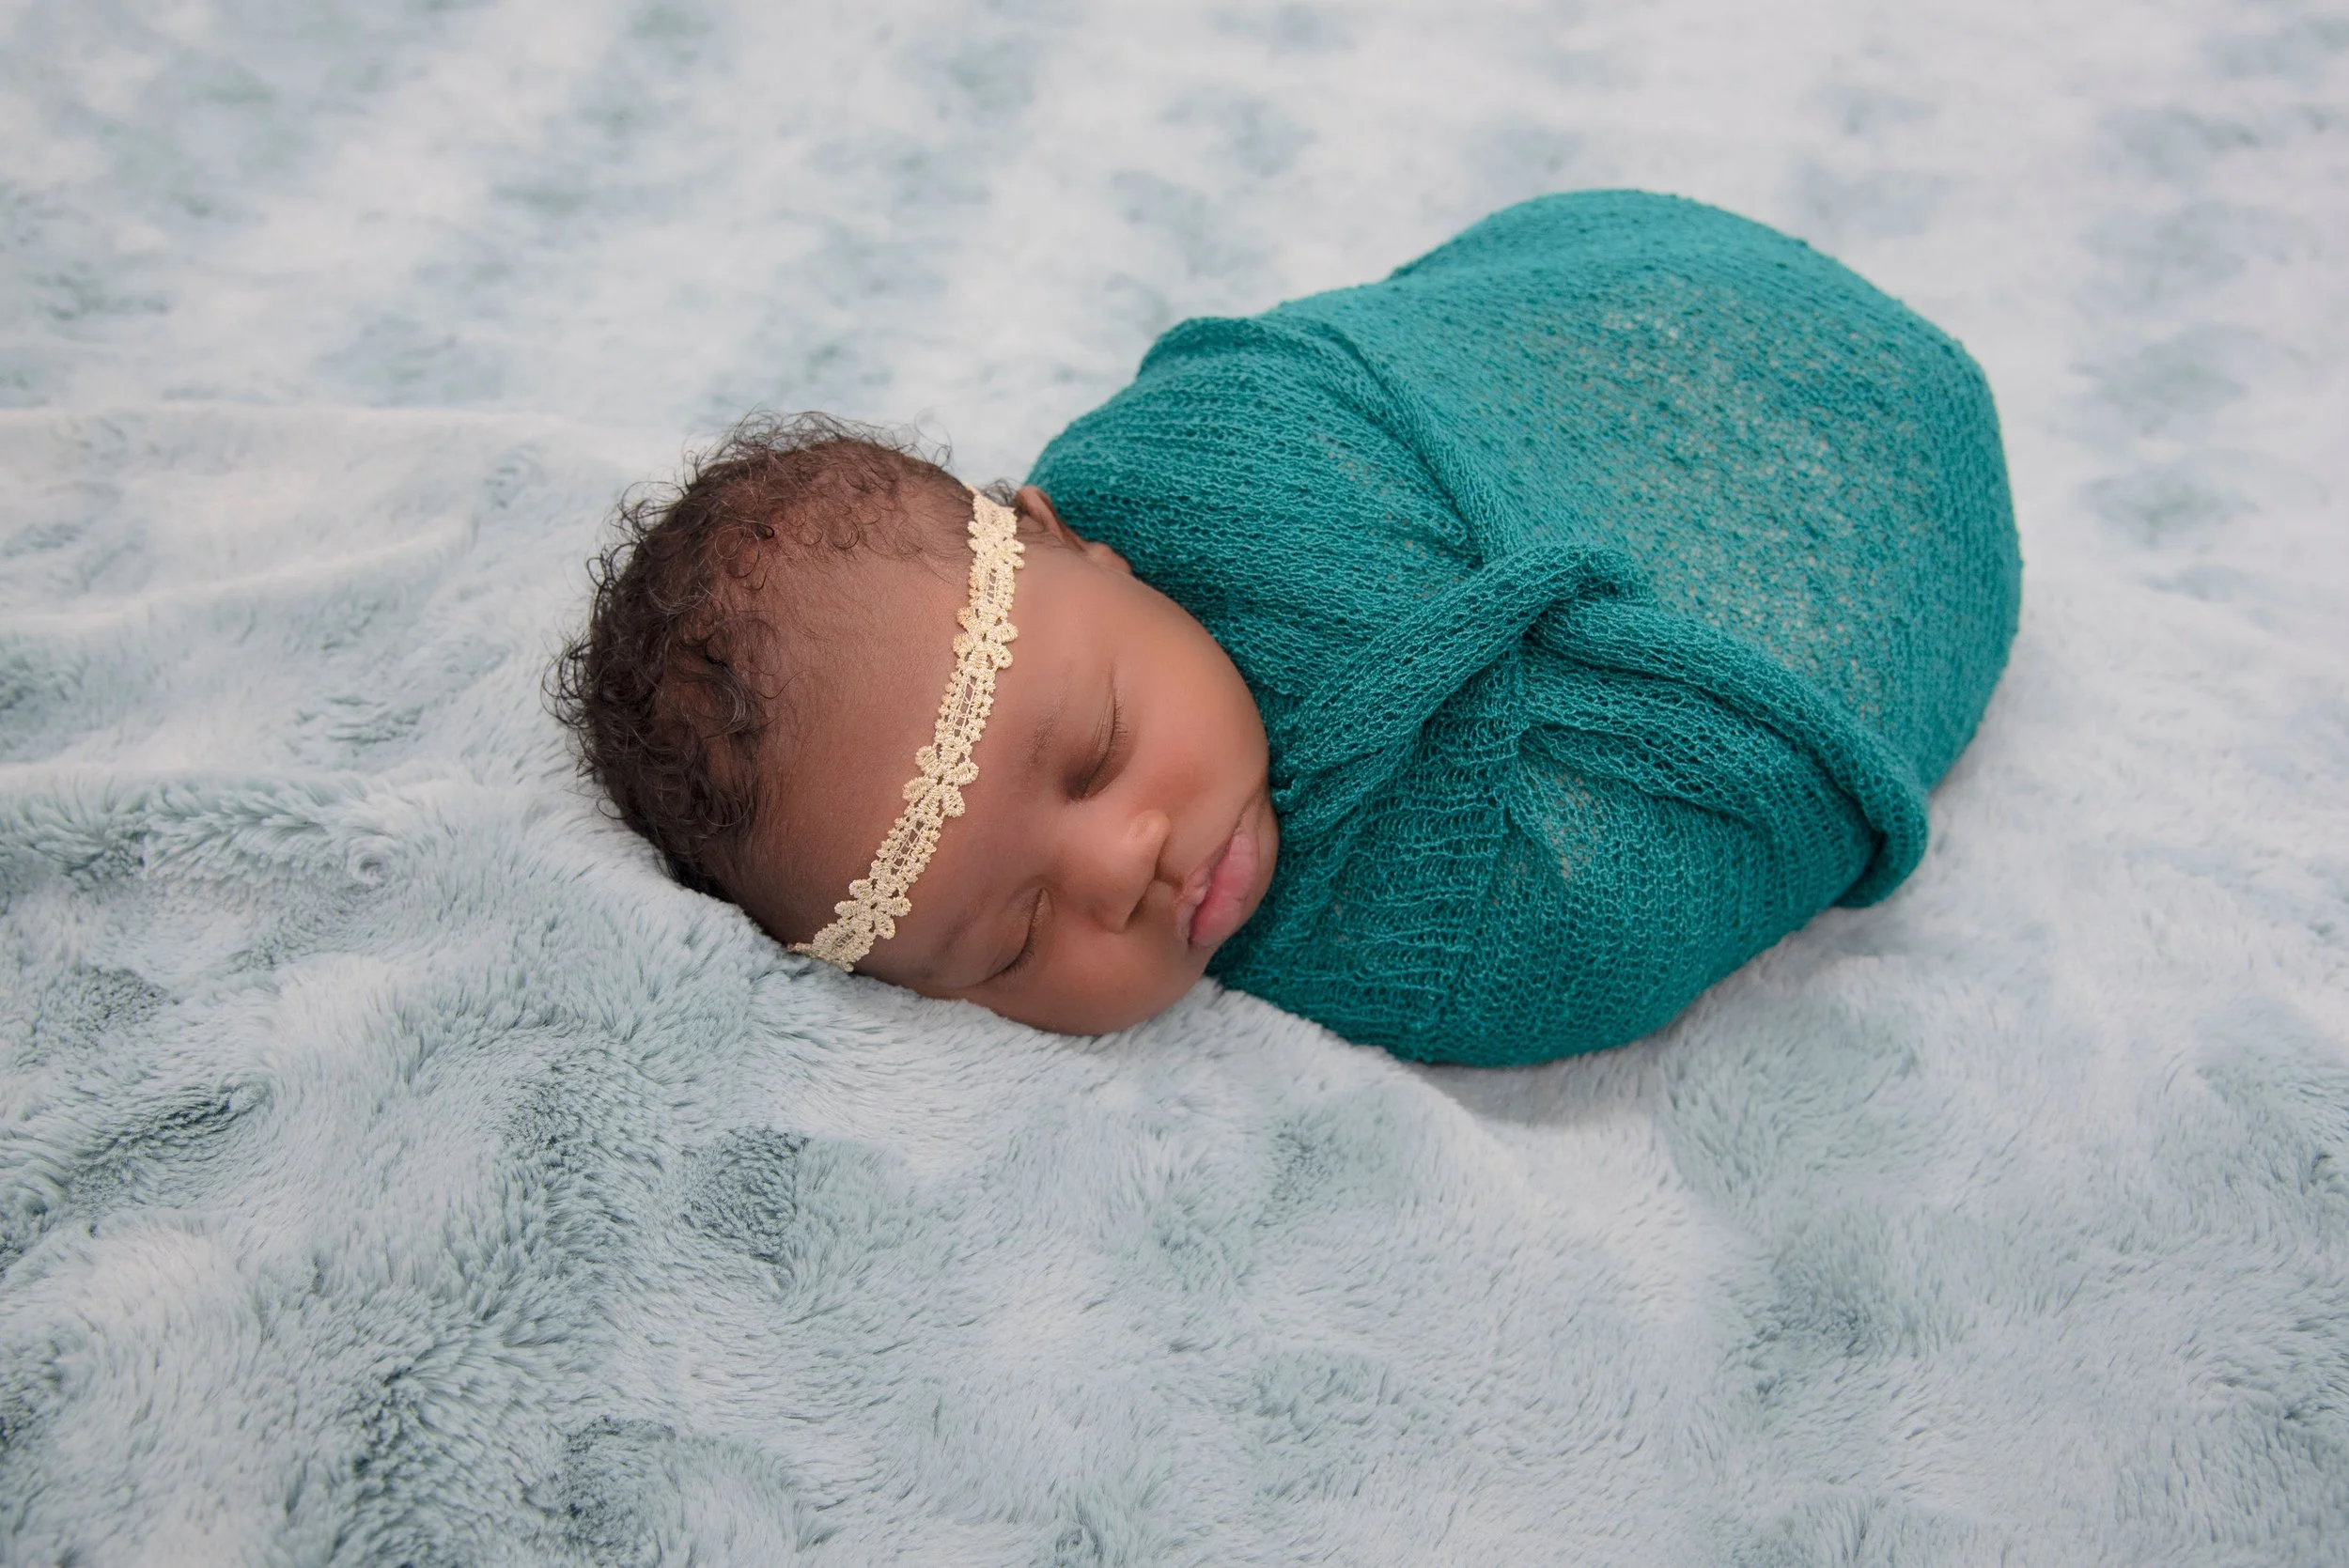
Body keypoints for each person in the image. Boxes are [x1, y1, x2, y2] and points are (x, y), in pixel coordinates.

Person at [555, 191, 2019, 1064]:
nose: (1123, 870)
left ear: (1078, 540)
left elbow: (1384, 364)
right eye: (1009, 946)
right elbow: (1600, 935)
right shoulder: (1411, 937)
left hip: (1669, 325)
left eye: (1095, 750)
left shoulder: (1216, 451)